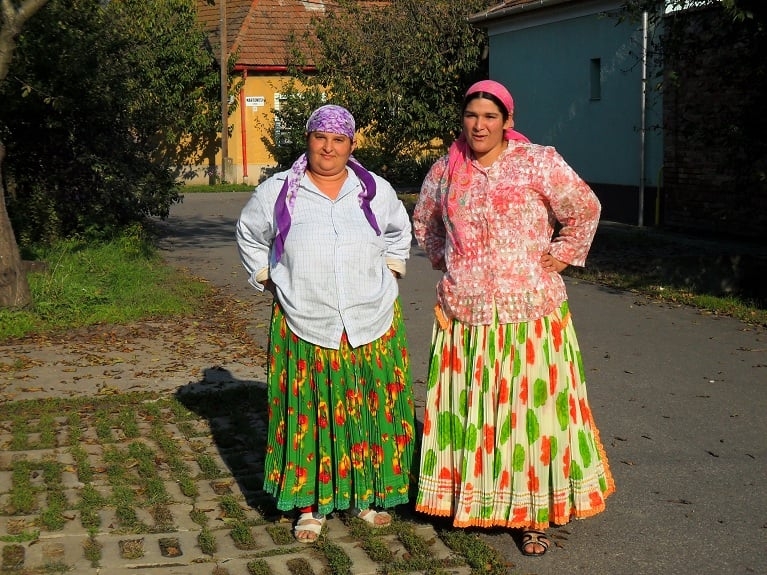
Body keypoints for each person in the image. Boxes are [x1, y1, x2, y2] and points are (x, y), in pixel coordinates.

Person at [412, 80, 615, 557]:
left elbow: (584, 207)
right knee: (475, 413)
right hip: (468, 312)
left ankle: (533, 516)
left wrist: (563, 254)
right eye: (471, 115)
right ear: (462, 120)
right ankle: (477, 501)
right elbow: (426, 223)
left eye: (490, 116)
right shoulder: (445, 172)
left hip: (531, 311)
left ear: (508, 121)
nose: (479, 125)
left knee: (532, 417)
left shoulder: (537, 161)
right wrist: (453, 265)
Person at [235, 104, 416, 543]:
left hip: (370, 320)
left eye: (338, 140)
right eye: (320, 138)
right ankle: (311, 506)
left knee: (372, 408)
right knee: (309, 415)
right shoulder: (279, 191)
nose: (328, 147)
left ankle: (370, 497)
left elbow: (398, 232)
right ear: (308, 141)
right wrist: (268, 279)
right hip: (306, 322)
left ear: (352, 145)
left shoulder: (374, 191)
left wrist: (392, 269)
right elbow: (249, 234)